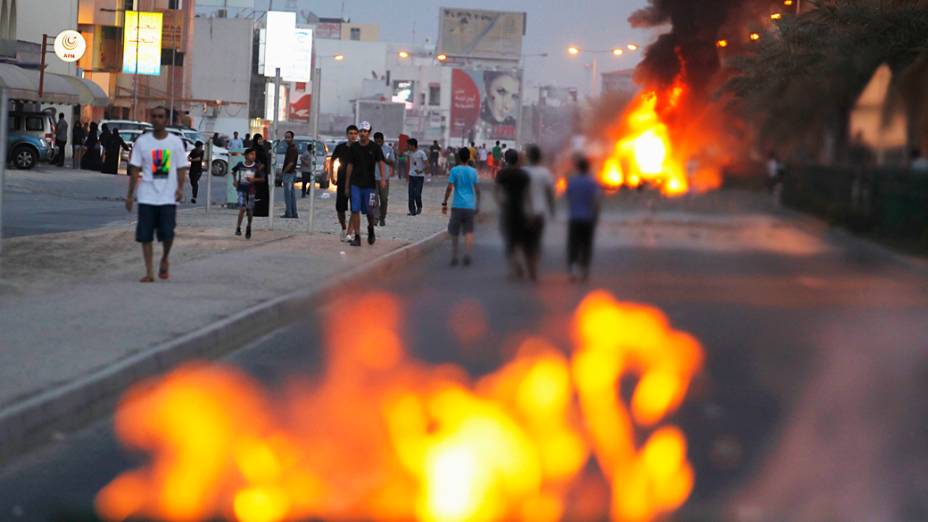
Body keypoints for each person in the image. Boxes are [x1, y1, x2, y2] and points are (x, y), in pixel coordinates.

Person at [125, 106, 189, 283]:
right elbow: (135, 169)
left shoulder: (175, 142)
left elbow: (182, 168)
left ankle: (165, 258)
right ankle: (149, 272)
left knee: (168, 233)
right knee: (145, 235)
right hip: (147, 196)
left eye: (160, 116)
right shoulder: (142, 142)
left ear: (166, 120)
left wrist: (180, 188)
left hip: (168, 197)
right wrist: (130, 195)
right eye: (154, 116)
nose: (157, 120)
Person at [345, 121, 386, 247]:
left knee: (369, 211)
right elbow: (350, 166)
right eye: (361, 131)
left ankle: (370, 229)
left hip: (370, 185)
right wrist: (347, 184)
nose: (362, 134)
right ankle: (357, 237)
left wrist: (383, 178)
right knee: (355, 210)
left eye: (365, 131)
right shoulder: (354, 147)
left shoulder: (375, 148)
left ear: (369, 133)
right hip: (355, 184)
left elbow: (381, 163)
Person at [495, 148, 530, 279]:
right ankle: (520, 263)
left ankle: (514, 267)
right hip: (521, 210)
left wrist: (500, 204)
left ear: (506, 159)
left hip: (508, 209)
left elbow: (496, 192)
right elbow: (528, 194)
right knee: (520, 240)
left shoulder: (502, 174)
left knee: (509, 239)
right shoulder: (524, 174)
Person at [442, 147, 481, 266]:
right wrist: (477, 205)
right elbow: (477, 190)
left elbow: (449, 188)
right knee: (469, 231)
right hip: (469, 206)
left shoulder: (455, 170)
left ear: (458, 157)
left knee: (455, 232)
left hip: (457, 205)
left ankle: (455, 255)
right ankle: (467, 255)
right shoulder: (473, 172)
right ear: (469, 157)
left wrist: (444, 202)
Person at [523, 145, 555, 282]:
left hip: (525, 212)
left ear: (528, 157)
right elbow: (550, 194)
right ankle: (534, 266)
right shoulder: (545, 173)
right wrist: (552, 209)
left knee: (527, 241)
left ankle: (530, 266)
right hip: (540, 212)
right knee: (536, 240)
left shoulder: (523, 172)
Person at [566, 155, 601, 283]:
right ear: (588, 168)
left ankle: (573, 269)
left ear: (577, 168)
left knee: (573, 244)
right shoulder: (592, 182)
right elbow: (596, 201)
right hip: (588, 218)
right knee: (586, 244)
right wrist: (596, 216)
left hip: (574, 218)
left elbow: (569, 197)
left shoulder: (572, 181)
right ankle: (584, 268)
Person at [330, 125, 359, 240]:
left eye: (354, 133)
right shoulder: (340, 147)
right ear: (347, 135)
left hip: (356, 181)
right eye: (350, 133)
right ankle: (343, 227)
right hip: (342, 180)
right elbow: (332, 160)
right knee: (340, 208)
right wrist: (332, 176)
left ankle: (349, 233)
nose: (352, 135)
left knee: (355, 208)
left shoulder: (360, 148)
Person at [231, 147, 263, 239]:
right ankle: (238, 227)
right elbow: (233, 171)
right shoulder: (240, 165)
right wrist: (235, 181)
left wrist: (254, 179)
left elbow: (262, 178)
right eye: (251, 154)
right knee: (242, 208)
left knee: (250, 209)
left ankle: (249, 225)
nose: (253, 156)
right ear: (246, 156)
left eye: (254, 155)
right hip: (241, 189)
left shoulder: (256, 166)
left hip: (251, 190)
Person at [374, 132, 395, 226]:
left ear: (382, 140)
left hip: (384, 179)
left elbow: (393, 163)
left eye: (380, 141)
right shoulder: (371, 149)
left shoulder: (389, 149)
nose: (378, 143)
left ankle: (382, 218)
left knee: (384, 200)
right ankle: (375, 218)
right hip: (373, 178)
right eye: (376, 141)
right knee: (374, 200)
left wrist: (382, 159)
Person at [280, 130, 299, 219]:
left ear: (292, 138)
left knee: (288, 195)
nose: (287, 139)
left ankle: (289, 213)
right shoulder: (290, 148)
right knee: (291, 195)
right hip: (290, 173)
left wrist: (283, 172)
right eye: (286, 137)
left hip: (289, 174)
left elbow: (291, 163)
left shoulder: (292, 149)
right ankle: (293, 213)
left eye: (288, 137)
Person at [406, 138, 428, 216]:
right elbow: (400, 153)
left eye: (408, 145)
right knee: (411, 194)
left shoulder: (421, 153)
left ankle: (419, 206)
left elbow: (427, 165)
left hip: (419, 177)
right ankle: (412, 210)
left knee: (417, 194)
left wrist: (421, 171)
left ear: (413, 145)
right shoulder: (409, 153)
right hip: (411, 176)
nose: (407, 146)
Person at [251, 134, 270, 217]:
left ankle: (264, 211)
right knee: (258, 193)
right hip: (257, 175)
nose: (260, 141)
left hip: (263, 175)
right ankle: (257, 211)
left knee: (263, 193)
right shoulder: (254, 150)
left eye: (261, 139)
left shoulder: (262, 149)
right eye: (259, 139)